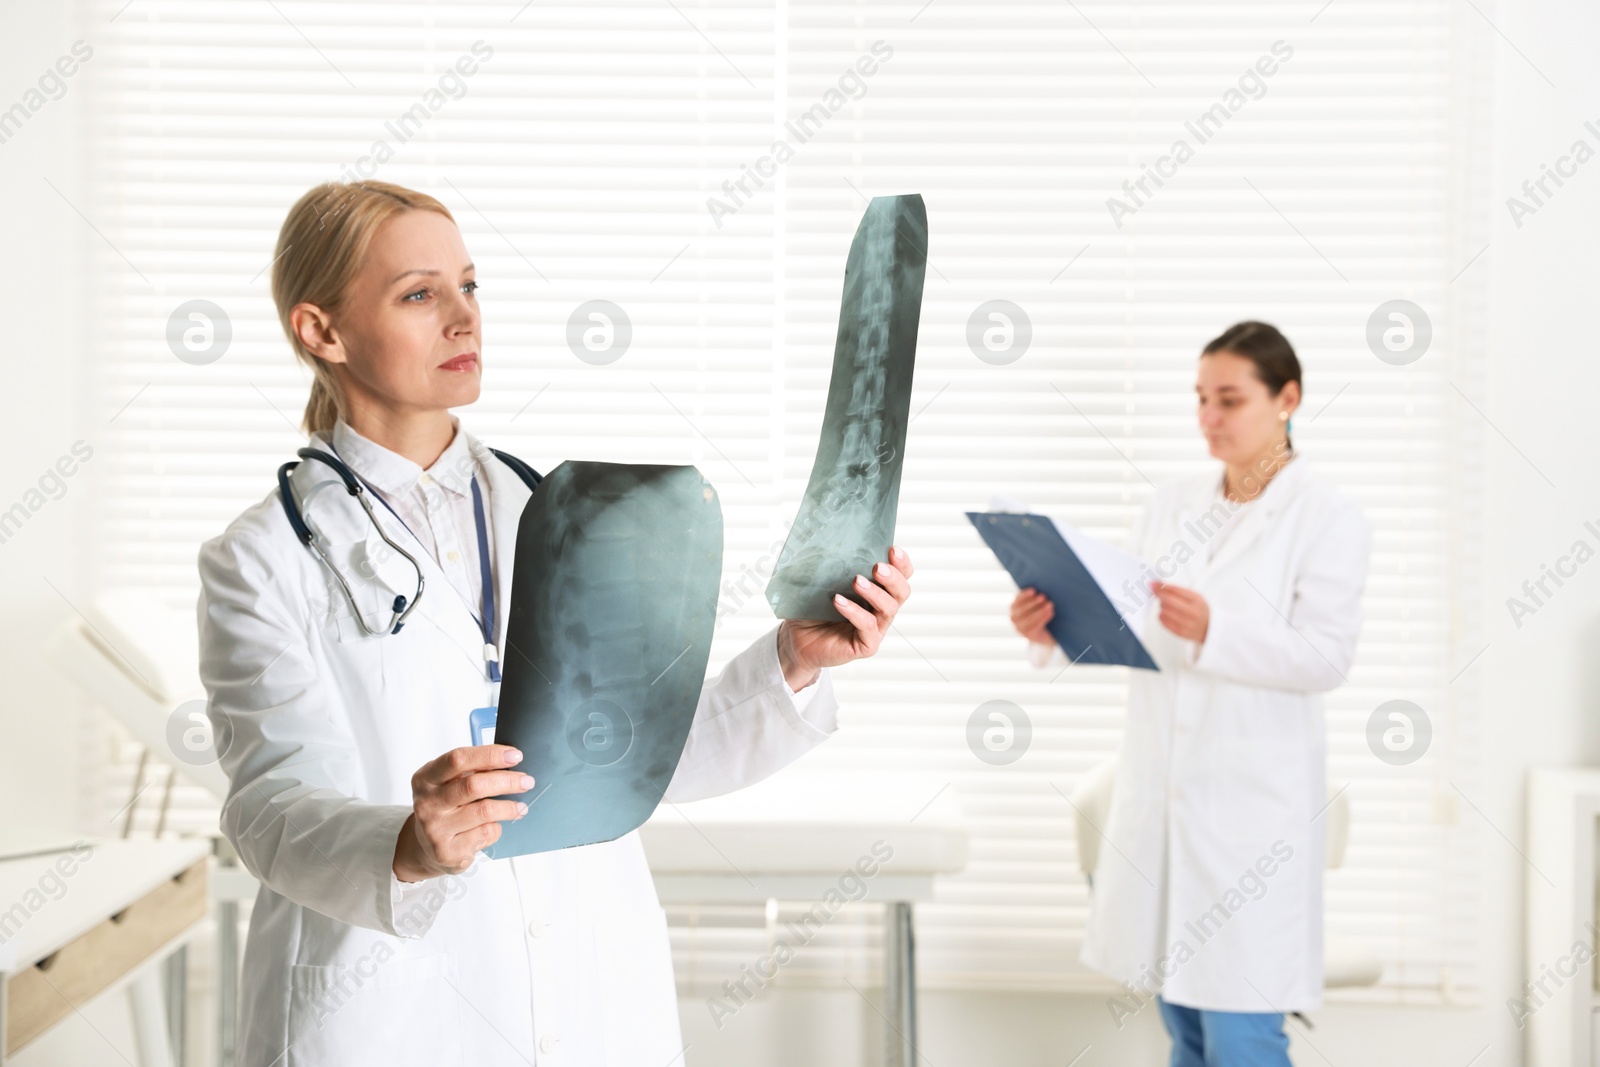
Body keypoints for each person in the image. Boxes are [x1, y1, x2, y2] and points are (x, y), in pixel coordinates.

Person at [197, 179, 916, 1067]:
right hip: (388, 1010)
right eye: (419, 294)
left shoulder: (564, 513)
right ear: (321, 331)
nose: (464, 320)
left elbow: (641, 760)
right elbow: (270, 808)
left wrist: (794, 660)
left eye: (470, 286)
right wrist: (406, 845)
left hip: (587, 994)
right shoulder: (264, 557)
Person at [1010, 322, 1370, 1066]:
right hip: (1164, 810)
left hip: (1250, 822)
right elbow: (1138, 635)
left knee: (1242, 1037)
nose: (1209, 417)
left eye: (1230, 399)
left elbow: (1326, 657)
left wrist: (1216, 630)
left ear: (1288, 398)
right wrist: (1052, 630)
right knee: (1190, 1034)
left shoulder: (1327, 516)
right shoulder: (1170, 506)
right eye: (1201, 398)